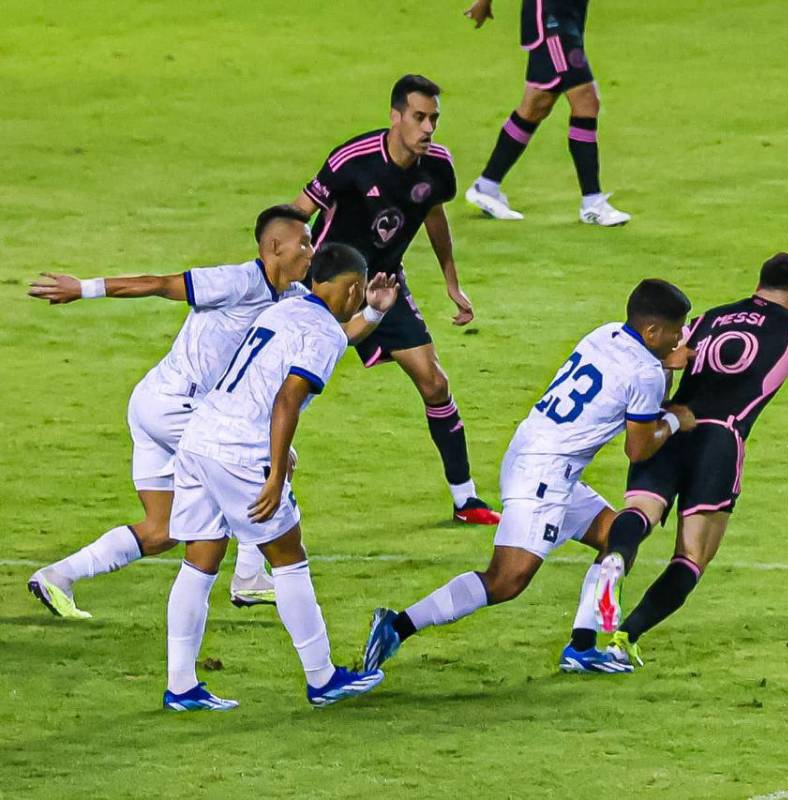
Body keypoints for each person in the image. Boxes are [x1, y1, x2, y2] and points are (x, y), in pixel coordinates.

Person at [25, 206, 388, 617]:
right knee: (272, 460)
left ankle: (58, 576)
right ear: (274, 247)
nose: (311, 251)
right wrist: (84, 288)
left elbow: (333, 338)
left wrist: (374, 311)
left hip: (155, 403)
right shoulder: (237, 280)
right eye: (303, 242)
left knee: (162, 530)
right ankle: (249, 577)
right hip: (176, 407)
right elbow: (160, 284)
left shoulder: (295, 298)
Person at [360, 279, 695, 675]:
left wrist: (661, 363)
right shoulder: (646, 373)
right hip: (545, 475)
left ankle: (582, 647)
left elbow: (638, 382)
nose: (680, 340)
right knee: (505, 581)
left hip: (533, 452)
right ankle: (396, 625)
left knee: (619, 535)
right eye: (675, 331)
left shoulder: (606, 333)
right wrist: (677, 419)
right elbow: (639, 448)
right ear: (652, 332)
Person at [579, 252, 788, 669]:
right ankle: (625, 637)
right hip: (720, 439)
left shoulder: (709, 318)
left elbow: (666, 359)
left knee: (639, 513)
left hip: (672, 424)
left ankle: (616, 559)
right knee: (691, 556)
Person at [163, 243, 395, 710]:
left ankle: (181, 686)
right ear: (351, 287)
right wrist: (274, 472)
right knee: (289, 556)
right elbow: (287, 399)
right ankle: (323, 677)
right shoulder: (322, 334)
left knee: (201, 560)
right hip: (241, 452)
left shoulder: (289, 309)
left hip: (200, 437)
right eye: (359, 294)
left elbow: (327, 340)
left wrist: (372, 313)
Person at [291, 74, 499, 526]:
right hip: (327, 288)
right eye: (419, 118)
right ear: (395, 117)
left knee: (435, 383)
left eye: (434, 119)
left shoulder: (438, 166)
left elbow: (434, 214)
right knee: (290, 389)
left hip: (385, 286)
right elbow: (296, 215)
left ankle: (466, 500)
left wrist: (452, 282)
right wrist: (284, 283)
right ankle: (251, 468)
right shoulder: (353, 160)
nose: (428, 128)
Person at [462, 0, 631, 226]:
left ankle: (486, 186)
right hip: (553, 21)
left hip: (566, 16)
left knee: (536, 105)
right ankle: (592, 203)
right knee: (586, 100)